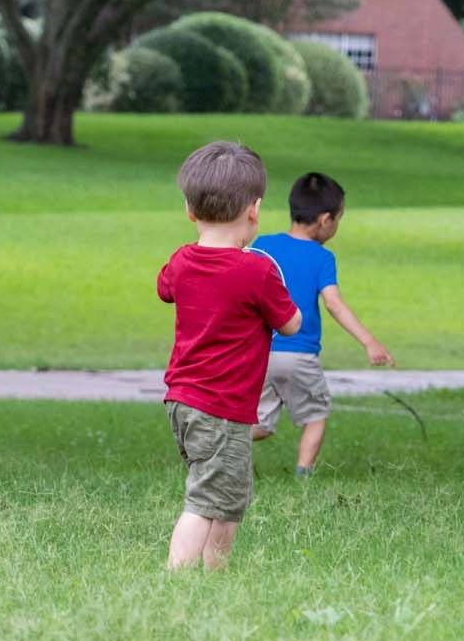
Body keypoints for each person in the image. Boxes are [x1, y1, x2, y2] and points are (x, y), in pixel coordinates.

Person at [158, 140, 300, 570]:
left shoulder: (182, 260)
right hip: (221, 409)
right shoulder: (257, 271)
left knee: (228, 495)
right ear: (254, 210)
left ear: (189, 209)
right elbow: (291, 323)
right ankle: (177, 577)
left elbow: (165, 289)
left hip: (183, 401)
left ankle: (215, 574)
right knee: (205, 499)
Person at [249, 171, 394, 477]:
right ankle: (303, 473)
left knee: (259, 423)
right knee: (315, 415)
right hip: (300, 355)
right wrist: (369, 341)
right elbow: (333, 303)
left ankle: (221, 446)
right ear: (326, 219)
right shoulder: (321, 258)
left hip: (259, 353)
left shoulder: (262, 245)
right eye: (339, 219)